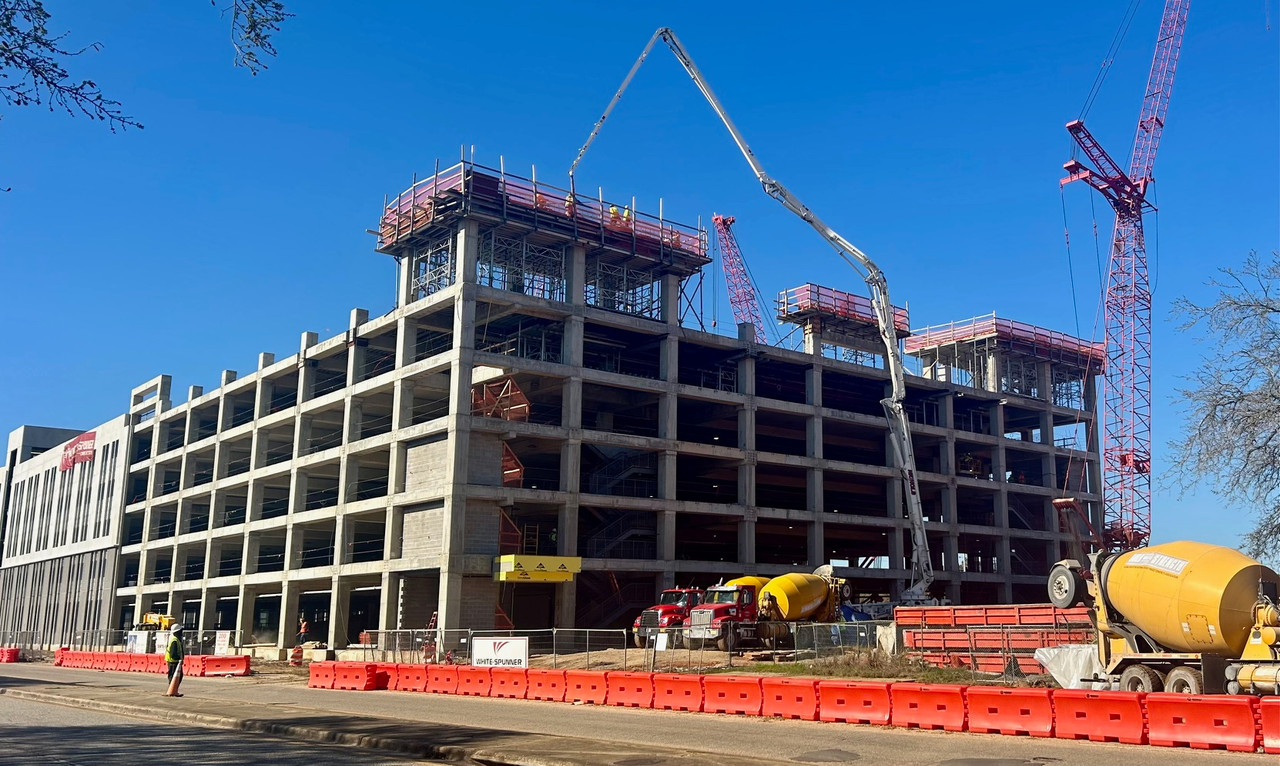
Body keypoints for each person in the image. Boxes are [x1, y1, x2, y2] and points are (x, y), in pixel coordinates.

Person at [164, 624, 185, 697]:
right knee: (174, 676)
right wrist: (179, 659)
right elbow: (173, 653)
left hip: (174, 661)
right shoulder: (174, 640)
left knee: (175, 676)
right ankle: (172, 690)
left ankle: (173, 690)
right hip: (173, 661)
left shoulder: (175, 639)